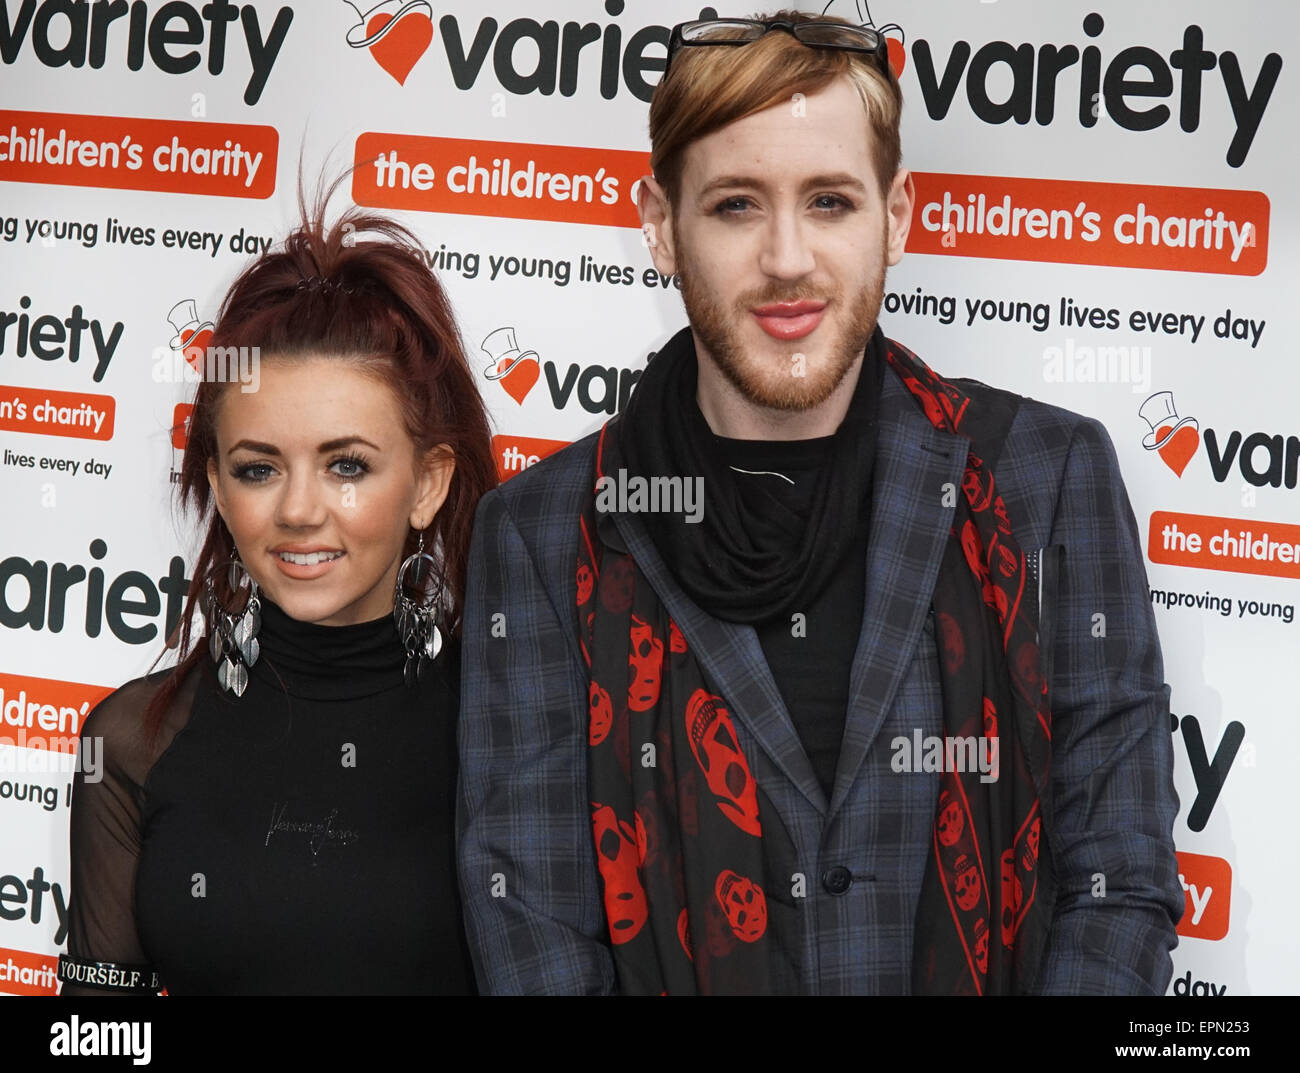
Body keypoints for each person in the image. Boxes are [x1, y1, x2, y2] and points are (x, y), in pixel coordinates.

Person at [456, 10, 1183, 995]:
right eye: (736, 206)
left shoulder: (1045, 478)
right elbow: (531, 927)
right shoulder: (544, 530)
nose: (788, 258)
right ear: (661, 225)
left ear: (897, 215)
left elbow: (1118, 885)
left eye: (830, 201)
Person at [59, 172, 496, 995]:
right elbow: (93, 1032)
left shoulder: (513, 734)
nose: (299, 509)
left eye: (347, 465)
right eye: (259, 467)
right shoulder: (130, 744)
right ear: (220, 489)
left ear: (429, 483)